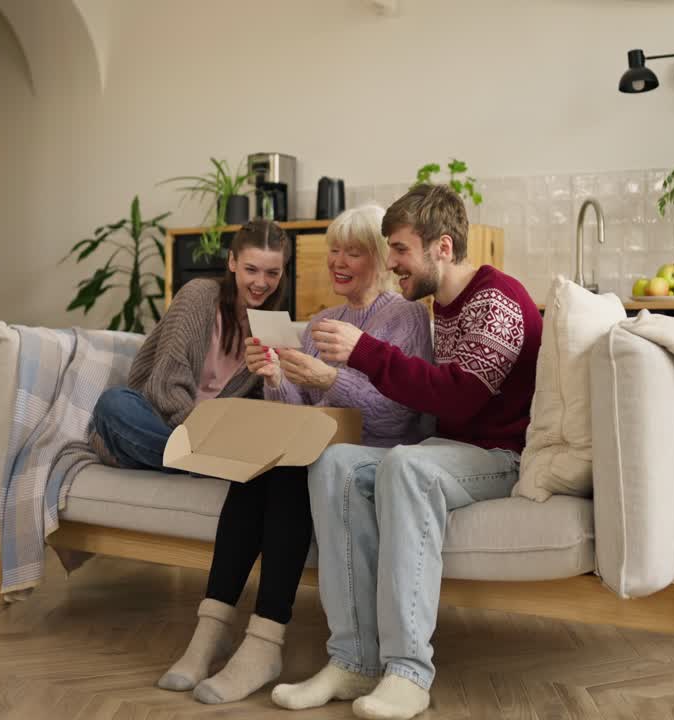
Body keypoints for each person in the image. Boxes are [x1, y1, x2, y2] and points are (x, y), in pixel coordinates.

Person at [272, 185, 543, 720]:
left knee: (406, 463)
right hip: (450, 450)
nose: (391, 263)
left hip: (501, 455)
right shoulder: (438, 308)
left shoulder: (499, 299)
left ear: (442, 248)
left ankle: (408, 672)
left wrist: (364, 353)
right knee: (336, 463)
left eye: (399, 250)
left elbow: (461, 398)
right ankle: (353, 659)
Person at [157, 204, 433, 705]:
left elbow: (400, 414)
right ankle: (211, 628)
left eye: (353, 251)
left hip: (371, 458)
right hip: (316, 450)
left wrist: (331, 378)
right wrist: (275, 377)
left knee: (289, 470)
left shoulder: (406, 316)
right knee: (259, 467)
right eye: (333, 250)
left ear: (379, 258)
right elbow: (298, 410)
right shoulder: (324, 320)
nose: (338, 261)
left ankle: (264, 642)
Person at [89, 219, 289, 470]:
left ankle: (193, 463)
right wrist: (202, 440)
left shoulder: (272, 328)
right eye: (251, 269)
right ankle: (203, 464)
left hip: (215, 439)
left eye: (272, 273)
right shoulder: (199, 296)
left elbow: (257, 409)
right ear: (232, 262)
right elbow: (166, 388)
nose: (261, 282)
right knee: (113, 404)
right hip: (161, 422)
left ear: (282, 273)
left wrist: (274, 380)